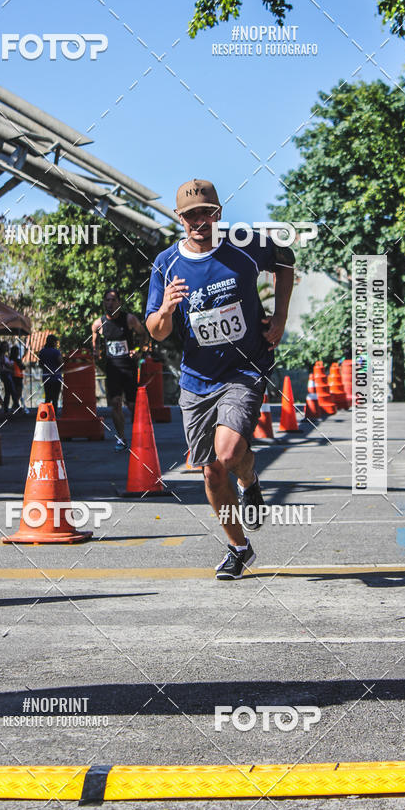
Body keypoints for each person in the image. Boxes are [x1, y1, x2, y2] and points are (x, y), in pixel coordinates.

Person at [145, 178, 295, 580]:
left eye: (206, 213)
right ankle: (239, 546)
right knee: (210, 470)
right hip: (196, 378)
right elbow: (155, 331)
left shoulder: (243, 246)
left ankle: (246, 477)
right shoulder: (166, 264)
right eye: (191, 215)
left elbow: (286, 259)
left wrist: (279, 317)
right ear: (179, 219)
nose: (199, 221)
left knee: (227, 455)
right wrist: (165, 309)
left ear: (219, 214)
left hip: (245, 368)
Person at [91, 287, 148, 451]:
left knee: (132, 405)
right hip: (112, 368)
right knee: (115, 403)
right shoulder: (99, 323)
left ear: (119, 302)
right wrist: (96, 351)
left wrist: (138, 351)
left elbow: (144, 334)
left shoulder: (129, 319)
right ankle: (122, 438)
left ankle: (141, 435)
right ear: (103, 303)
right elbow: (95, 338)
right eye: (107, 300)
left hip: (128, 367)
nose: (110, 303)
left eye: (113, 300)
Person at [38, 334, 63, 415]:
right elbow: (61, 363)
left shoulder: (42, 352)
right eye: (56, 342)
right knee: (55, 399)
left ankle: (46, 415)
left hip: (46, 378)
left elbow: (40, 365)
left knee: (48, 398)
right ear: (53, 342)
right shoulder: (56, 352)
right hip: (56, 378)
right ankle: (54, 416)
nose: (56, 344)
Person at [0, 340, 19, 414]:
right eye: (5, 346)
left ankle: (6, 408)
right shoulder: (1, 357)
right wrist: (9, 370)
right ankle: (17, 406)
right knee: (12, 391)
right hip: (6, 376)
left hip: (8, 375)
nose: (7, 347)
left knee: (8, 392)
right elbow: (1, 368)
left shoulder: (6, 356)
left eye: (7, 346)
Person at [9, 345, 26, 412]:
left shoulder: (10, 359)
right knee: (18, 392)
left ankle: (15, 405)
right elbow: (23, 367)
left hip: (14, 377)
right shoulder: (17, 360)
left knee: (15, 392)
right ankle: (16, 405)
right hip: (17, 377)